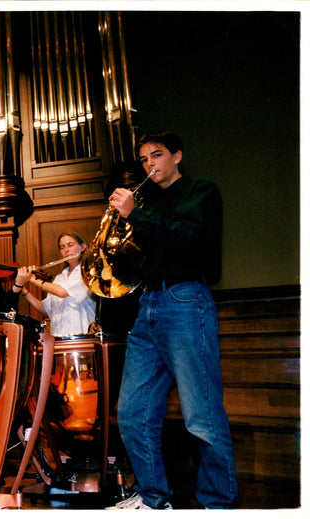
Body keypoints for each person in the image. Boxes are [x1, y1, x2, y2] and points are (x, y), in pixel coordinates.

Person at [106, 131, 237, 509]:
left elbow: (187, 237)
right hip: (148, 302)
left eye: (157, 155)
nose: (150, 164)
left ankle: (219, 506)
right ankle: (153, 500)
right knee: (132, 413)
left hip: (186, 300)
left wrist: (135, 214)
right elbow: (138, 261)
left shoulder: (200, 191)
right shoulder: (147, 201)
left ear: (177, 156)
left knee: (202, 416)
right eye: (144, 159)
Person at [14, 232, 96, 337]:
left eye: (70, 245)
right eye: (62, 247)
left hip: (81, 336)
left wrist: (32, 279)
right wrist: (23, 289)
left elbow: (62, 292)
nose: (66, 250)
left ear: (83, 247)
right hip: (58, 337)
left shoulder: (88, 273)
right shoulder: (59, 278)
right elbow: (45, 310)